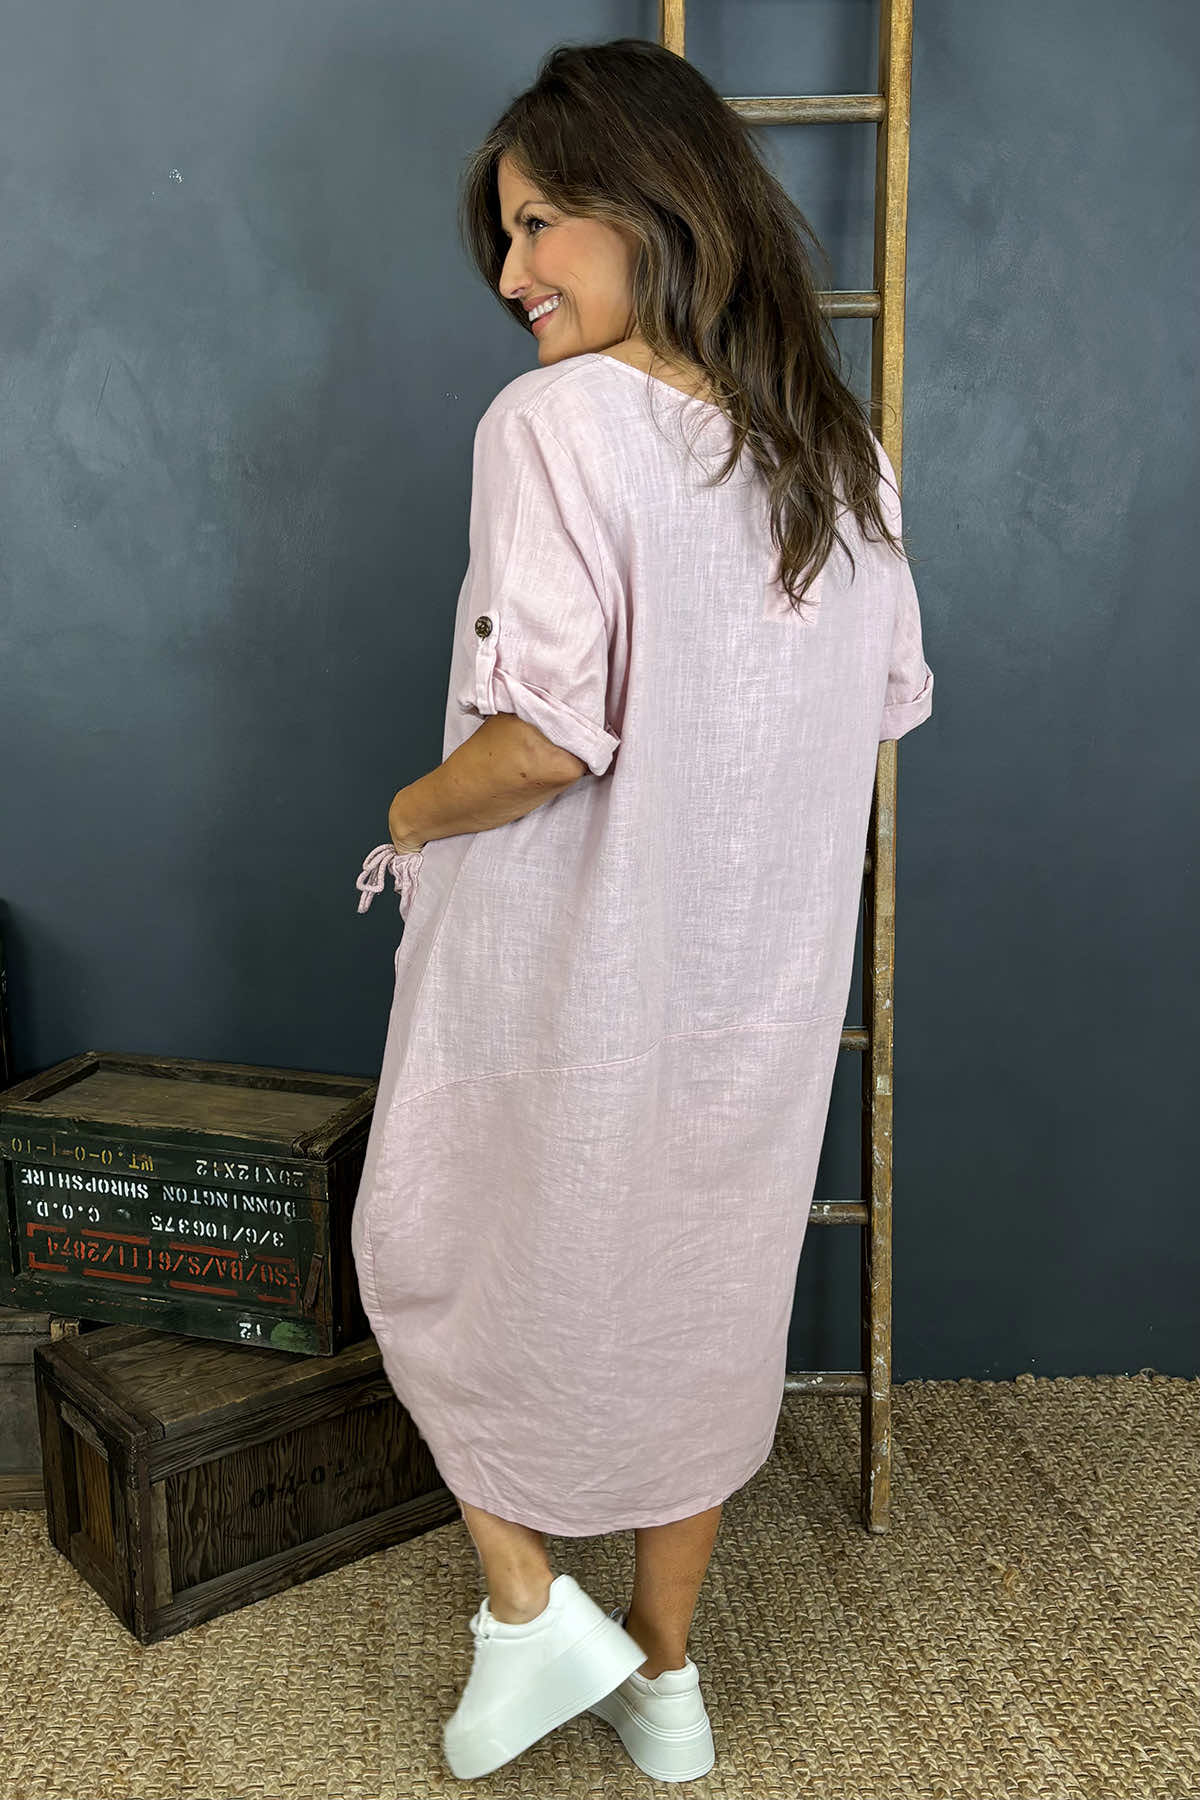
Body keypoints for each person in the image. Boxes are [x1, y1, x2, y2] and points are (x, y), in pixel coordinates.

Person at [351, 36, 934, 1782]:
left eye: (540, 225)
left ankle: (530, 1611)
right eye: (507, 238)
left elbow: (543, 739)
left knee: (423, 1241)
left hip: (559, 964)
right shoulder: (842, 456)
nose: (512, 274)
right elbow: (884, 702)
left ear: (656, 207)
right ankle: (665, 1682)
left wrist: (405, 813)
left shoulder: (555, 423)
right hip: (755, 990)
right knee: (700, 1300)